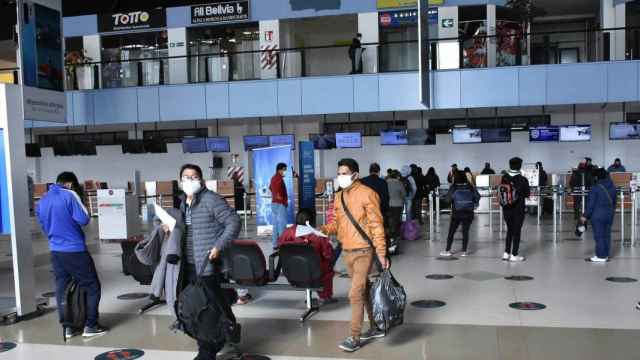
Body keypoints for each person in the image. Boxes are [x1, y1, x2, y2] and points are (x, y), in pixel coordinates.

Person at [321, 158, 389, 353]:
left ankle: (354, 336)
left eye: (343, 173)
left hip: (364, 251)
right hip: (347, 251)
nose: (340, 177)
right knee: (363, 290)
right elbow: (337, 224)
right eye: (339, 173)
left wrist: (381, 252)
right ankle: (376, 327)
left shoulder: (368, 194)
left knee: (355, 293)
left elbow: (376, 224)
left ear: (355, 175)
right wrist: (323, 229)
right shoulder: (339, 196)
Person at [177, 164, 241, 360]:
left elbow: (234, 222)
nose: (189, 180)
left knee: (206, 308)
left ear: (201, 180)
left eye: (194, 177)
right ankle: (227, 332)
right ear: (180, 181)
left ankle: (207, 350)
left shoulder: (210, 200)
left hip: (206, 264)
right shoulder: (184, 203)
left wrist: (218, 246)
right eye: (186, 177)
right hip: (188, 263)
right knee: (207, 304)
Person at [37, 172, 108, 339]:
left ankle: (68, 328)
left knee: (62, 289)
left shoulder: (43, 199)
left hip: (56, 251)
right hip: (75, 250)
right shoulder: (69, 194)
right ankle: (91, 325)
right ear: (70, 184)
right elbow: (84, 219)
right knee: (92, 287)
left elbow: (44, 226)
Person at [278, 209, 336, 305]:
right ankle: (325, 297)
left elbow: (280, 246)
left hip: (291, 270)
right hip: (315, 271)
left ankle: (309, 295)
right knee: (328, 269)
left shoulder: (287, 232)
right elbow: (328, 254)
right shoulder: (318, 235)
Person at [440, 171, 480, 257]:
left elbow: (447, 200)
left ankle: (447, 250)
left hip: (456, 213)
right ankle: (464, 251)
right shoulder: (470, 186)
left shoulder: (454, 187)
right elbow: (477, 198)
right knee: (465, 232)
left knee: (451, 232)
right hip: (468, 213)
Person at [581, 168, 616, 262]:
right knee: (607, 235)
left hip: (598, 215)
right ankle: (606, 255)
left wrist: (585, 216)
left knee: (599, 236)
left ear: (596, 177)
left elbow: (590, 205)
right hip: (609, 214)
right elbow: (614, 202)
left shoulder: (595, 188)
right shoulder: (612, 186)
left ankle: (601, 256)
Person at [500, 157, 530, 262]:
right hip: (518, 209)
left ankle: (506, 253)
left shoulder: (504, 177)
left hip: (506, 208)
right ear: (519, 166)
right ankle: (514, 254)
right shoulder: (523, 179)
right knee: (517, 231)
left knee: (509, 230)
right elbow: (527, 194)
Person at [386, 170, 407, 254]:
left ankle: (389, 241)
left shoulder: (385, 182)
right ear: (397, 176)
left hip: (388, 205)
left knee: (389, 223)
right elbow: (404, 194)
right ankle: (395, 243)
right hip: (397, 205)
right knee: (397, 223)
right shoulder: (399, 183)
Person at [269, 163, 288, 250]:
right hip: (280, 204)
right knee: (282, 225)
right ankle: (282, 244)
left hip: (274, 204)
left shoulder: (273, 178)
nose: (285, 171)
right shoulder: (279, 179)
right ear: (279, 170)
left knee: (275, 225)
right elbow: (277, 193)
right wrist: (283, 201)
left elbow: (270, 188)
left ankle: (275, 244)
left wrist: (276, 196)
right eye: (284, 169)